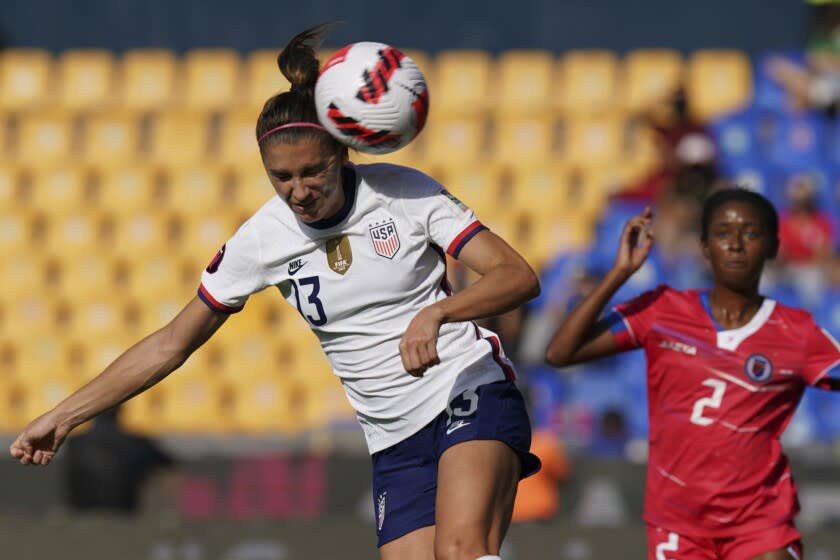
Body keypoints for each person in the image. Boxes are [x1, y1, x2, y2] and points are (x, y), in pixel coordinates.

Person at [9, 24, 541, 560]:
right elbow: (171, 343)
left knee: (460, 551)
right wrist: (64, 415)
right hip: (392, 438)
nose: (299, 190)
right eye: (281, 177)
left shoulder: (405, 194)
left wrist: (438, 315)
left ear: (343, 154)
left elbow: (516, 276)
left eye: (313, 171)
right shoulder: (262, 239)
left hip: (465, 390)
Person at [545, 188, 840, 560]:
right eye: (722, 233)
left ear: (771, 247)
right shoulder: (663, 310)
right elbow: (559, 352)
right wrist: (618, 274)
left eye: (750, 233)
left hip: (760, 521)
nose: (734, 244)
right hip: (678, 522)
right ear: (703, 246)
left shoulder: (797, 331)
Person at [63, 404, 174, 513]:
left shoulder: (76, 442)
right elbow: (166, 462)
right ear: (120, 411)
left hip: (82, 514)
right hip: (121, 512)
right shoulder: (135, 442)